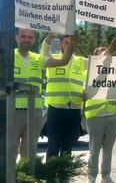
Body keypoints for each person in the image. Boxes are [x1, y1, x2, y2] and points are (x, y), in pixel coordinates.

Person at [0, 28, 77, 160]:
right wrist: (0, 31)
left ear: (34, 40)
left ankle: (26, 180)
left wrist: (72, 43)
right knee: (10, 151)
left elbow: (63, 61)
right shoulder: (7, 56)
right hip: (12, 111)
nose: (26, 40)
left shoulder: (38, 58)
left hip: (34, 113)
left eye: (30, 37)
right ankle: (11, 180)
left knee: (29, 152)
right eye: (23, 36)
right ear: (16, 38)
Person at [41, 32, 96, 160]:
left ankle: (63, 177)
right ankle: (51, 177)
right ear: (60, 45)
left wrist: (112, 50)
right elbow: (45, 48)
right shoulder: (53, 59)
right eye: (67, 43)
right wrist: (52, 31)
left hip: (75, 109)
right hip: (56, 108)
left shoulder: (81, 61)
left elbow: (98, 62)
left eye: (72, 42)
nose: (70, 45)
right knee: (53, 146)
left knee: (68, 147)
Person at [83, 37, 116, 183]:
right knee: (94, 150)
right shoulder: (87, 73)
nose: (106, 58)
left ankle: (106, 176)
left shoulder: (113, 73)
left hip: (113, 114)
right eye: (102, 55)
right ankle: (91, 177)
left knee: (108, 150)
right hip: (95, 114)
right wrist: (111, 49)